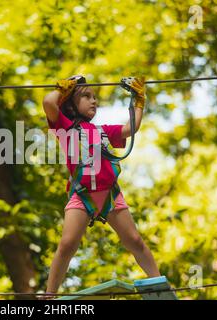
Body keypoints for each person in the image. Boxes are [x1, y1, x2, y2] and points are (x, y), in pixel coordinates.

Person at [42, 75, 161, 297]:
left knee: (134, 240)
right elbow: (49, 103)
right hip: (83, 196)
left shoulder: (103, 131)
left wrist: (139, 100)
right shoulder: (65, 128)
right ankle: (50, 294)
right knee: (67, 244)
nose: (94, 101)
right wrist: (64, 87)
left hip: (109, 196)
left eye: (95, 97)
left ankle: (159, 284)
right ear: (70, 103)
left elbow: (131, 128)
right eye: (87, 96)